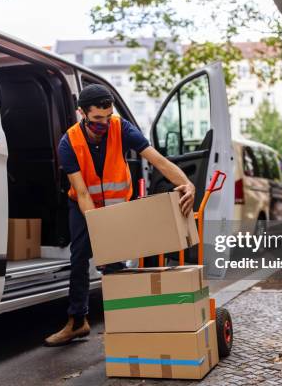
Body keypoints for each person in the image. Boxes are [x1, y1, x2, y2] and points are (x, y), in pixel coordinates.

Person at [44, 84, 196, 346]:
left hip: (116, 204)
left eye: (108, 116)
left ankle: (124, 320)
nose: (104, 123)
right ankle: (77, 321)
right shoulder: (69, 142)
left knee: (113, 262)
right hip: (83, 205)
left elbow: (157, 160)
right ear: (82, 113)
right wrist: (99, 227)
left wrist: (186, 183)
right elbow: (81, 193)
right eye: (96, 119)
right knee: (80, 256)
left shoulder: (121, 127)